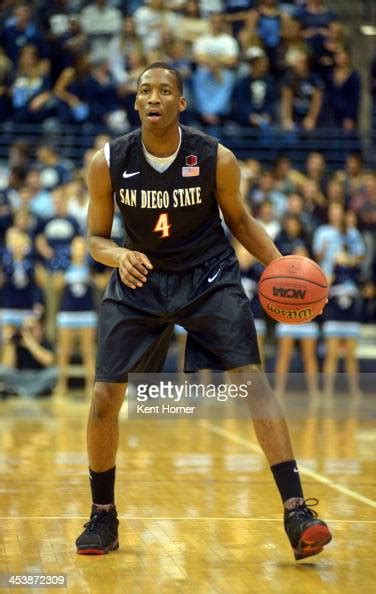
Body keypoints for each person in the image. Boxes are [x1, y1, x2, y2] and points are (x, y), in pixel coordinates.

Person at [75, 62, 331, 559]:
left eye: (165, 90)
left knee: (252, 383)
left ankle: (297, 511)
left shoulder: (216, 157)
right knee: (105, 395)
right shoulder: (107, 161)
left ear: (181, 103)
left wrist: (285, 270)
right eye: (145, 90)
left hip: (208, 275)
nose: (154, 97)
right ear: (136, 103)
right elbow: (94, 238)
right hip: (140, 276)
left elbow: (240, 219)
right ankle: (103, 517)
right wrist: (118, 254)